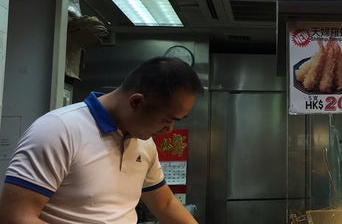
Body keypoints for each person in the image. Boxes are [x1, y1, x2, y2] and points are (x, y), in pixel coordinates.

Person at [0, 56, 204, 223]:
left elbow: (164, 204)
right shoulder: (58, 130)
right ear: (137, 102)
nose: (169, 130)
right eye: (167, 120)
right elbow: (15, 216)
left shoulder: (144, 143)